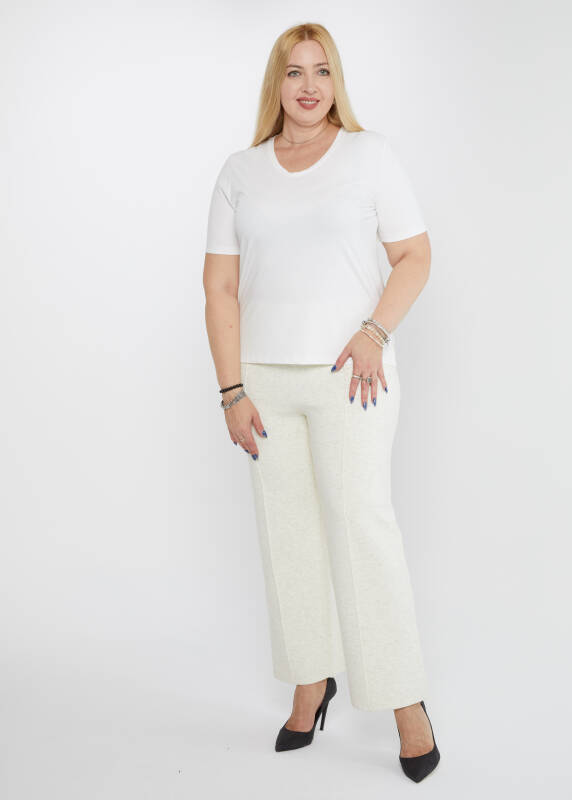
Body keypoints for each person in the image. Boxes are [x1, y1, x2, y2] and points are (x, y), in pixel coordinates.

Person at [203, 22, 441, 783]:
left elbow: (414, 256)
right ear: (276, 83)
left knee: (362, 527)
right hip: (264, 383)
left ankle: (405, 702)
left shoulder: (370, 156)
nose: (309, 86)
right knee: (288, 537)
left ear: (336, 82)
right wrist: (232, 390)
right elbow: (220, 287)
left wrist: (374, 331)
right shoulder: (241, 171)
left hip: (351, 377)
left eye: (323, 71)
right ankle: (311, 681)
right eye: (294, 72)